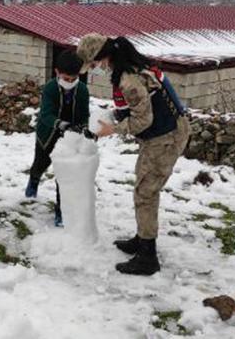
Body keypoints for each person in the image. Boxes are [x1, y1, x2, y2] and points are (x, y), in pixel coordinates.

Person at [77, 34, 190, 275]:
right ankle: (142, 238)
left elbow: (143, 119)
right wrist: (115, 115)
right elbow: (139, 106)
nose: (96, 69)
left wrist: (112, 129)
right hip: (163, 132)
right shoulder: (132, 66)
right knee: (144, 187)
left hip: (166, 137)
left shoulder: (128, 80)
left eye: (95, 64)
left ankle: (148, 256)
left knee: (145, 192)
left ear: (102, 56)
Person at [25, 50, 90, 227]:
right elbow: (45, 115)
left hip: (71, 138)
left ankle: (61, 210)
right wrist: (61, 124)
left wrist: (83, 127)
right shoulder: (50, 88)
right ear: (57, 72)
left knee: (65, 174)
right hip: (48, 134)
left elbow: (85, 114)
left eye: (73, 79)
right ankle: (34, 180)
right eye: (65, 78)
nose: (69, 83)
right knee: (40, 163)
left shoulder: (82, 90)